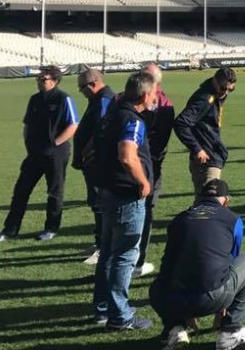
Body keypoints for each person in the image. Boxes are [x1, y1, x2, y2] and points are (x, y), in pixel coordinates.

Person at [150, 179, 245, 350]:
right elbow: (230, 260)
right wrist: (222, 304)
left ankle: (173, 328)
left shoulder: (179, 219)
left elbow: (170, 261)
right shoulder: (233, 219)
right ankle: (230, 330)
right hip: (210, 297)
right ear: (226, 201)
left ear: (199, 198)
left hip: (165, 298)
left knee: (170, 273)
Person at [92, 71, 156, 332]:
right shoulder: (133, 120)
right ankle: (120, 315)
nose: (155, 98)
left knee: (107, 252)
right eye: (153, 93)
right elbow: (127, 155)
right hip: (126, 196)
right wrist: (143, 181)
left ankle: (103, 308)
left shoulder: (113, 114)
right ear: (144, 95)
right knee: (125, 255)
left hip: (108, 192)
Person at [0, 65, 78, 243]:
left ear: (54, 81)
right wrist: (28, 143)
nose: (39, 82)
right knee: (21, 191)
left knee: (54, 192)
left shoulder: (63, 99)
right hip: (34, 154)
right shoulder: (34, 99)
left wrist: (55, 143)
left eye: (43, 79)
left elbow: (73, 125)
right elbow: (28, 124)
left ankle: (51, 228)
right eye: (38, 79)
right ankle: (10, 229)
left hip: (55, 154)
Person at [136, 62, 176, 278]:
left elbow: (160, 140)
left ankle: (133, 260)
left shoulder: (162, 104)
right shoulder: (161, 103)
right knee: (143, 211)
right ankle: (135, 262)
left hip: (143, 165)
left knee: (141, 211)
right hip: (144, 166)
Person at [73, 69, 116, 264]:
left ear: (93, 84)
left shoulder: (105, 99)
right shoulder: (97, 99)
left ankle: (104, 247)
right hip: (92, 163)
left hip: (99, 163)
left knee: (101, 205)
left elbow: (103, 132)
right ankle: (99, 242)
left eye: (82, 88)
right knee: (96, 203)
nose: (81, 92)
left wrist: (89, 154)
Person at [173, 66, 237, 199]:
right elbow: (180, 123)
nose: (225, 93)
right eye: (223, 88)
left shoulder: (215, 95)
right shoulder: (205, 98)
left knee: (205, 202)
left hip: (212, 154)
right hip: (206, 159)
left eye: (230, 89)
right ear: (215, 81)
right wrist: (197, 149)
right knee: (210, 202)